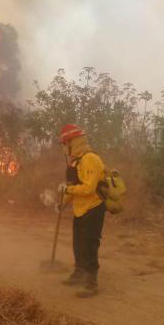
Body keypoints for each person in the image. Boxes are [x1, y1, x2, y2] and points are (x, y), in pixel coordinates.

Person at [57, 124, 106, 297]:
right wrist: (62, 203)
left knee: (89, 245)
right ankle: (79, 273)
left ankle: (91, 283)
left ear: (74, 142)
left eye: (65, 143)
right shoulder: (74, 162)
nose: (64, 147)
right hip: (80, 209)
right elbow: (72, 186)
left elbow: (88, 188)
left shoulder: (90, 159)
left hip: (93, 208)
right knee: (78, 244)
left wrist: (68, 190)